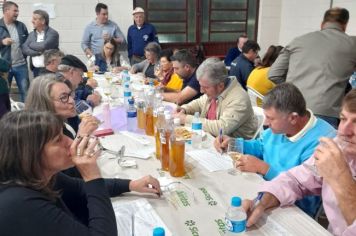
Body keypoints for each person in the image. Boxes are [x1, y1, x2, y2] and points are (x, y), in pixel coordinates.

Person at [0, 110, 162, 236]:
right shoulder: (19, 204)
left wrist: (130, 184)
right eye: (58, 140)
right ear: (30, 153)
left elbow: (79, 188)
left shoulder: (39, 176)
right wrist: (92, 176)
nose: (70, 142)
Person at [242, 89, 356, 236]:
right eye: (343, 119)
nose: (344, 131)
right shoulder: (340, 146)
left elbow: (309, 203)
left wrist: (341, 179)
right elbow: (297, 180)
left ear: (293, 118)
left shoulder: (323, 138)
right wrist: (263, 202)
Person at [215, 83, 335, 216]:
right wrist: (234, 143)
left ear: (293, 118)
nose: (265, 123)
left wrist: (265, 169)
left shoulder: (324, 143)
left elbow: (308, 198)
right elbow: (261, 146)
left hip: (290, 210)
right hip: (261, 191)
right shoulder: (280, 127)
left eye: (270, 118)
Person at [268, 7, 356, 129]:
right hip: (325, 112)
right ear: (345, 25)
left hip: (290, 109)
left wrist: (295, 90)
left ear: (322, 24)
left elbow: (273, 74)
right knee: (322, 148)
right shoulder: (352, 44)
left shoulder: (298, 41)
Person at [174, 57, 257, 139]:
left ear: (220, 85)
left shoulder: (239, 99)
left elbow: (221, 128)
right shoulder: (215, 91)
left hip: (232, 148)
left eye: (205, 87)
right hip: (211, 142)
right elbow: (199, 103)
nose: (201, 91)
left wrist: (186, 119)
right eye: (200, 86)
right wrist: (184, 109)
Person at [0, 1, 29, 102]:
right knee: (3, 93)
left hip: (21, 65)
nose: (17, 13)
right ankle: (5, 115)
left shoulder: (21, 26)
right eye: (15, 10)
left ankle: (24, 116)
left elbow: (27, 42)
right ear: (6, 11)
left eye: (18, 11)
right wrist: (2, 42)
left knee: (25, 91)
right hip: (4, 67)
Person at [22, 9, 59, 77]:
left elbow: (44, 46)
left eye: (35, 19)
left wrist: (30, 44)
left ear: (43, 21)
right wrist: (37, 53)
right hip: (36, 70)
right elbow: (24, 48)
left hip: (49, 70)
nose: (32, 21)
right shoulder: (31, 34)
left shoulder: (53, 33)